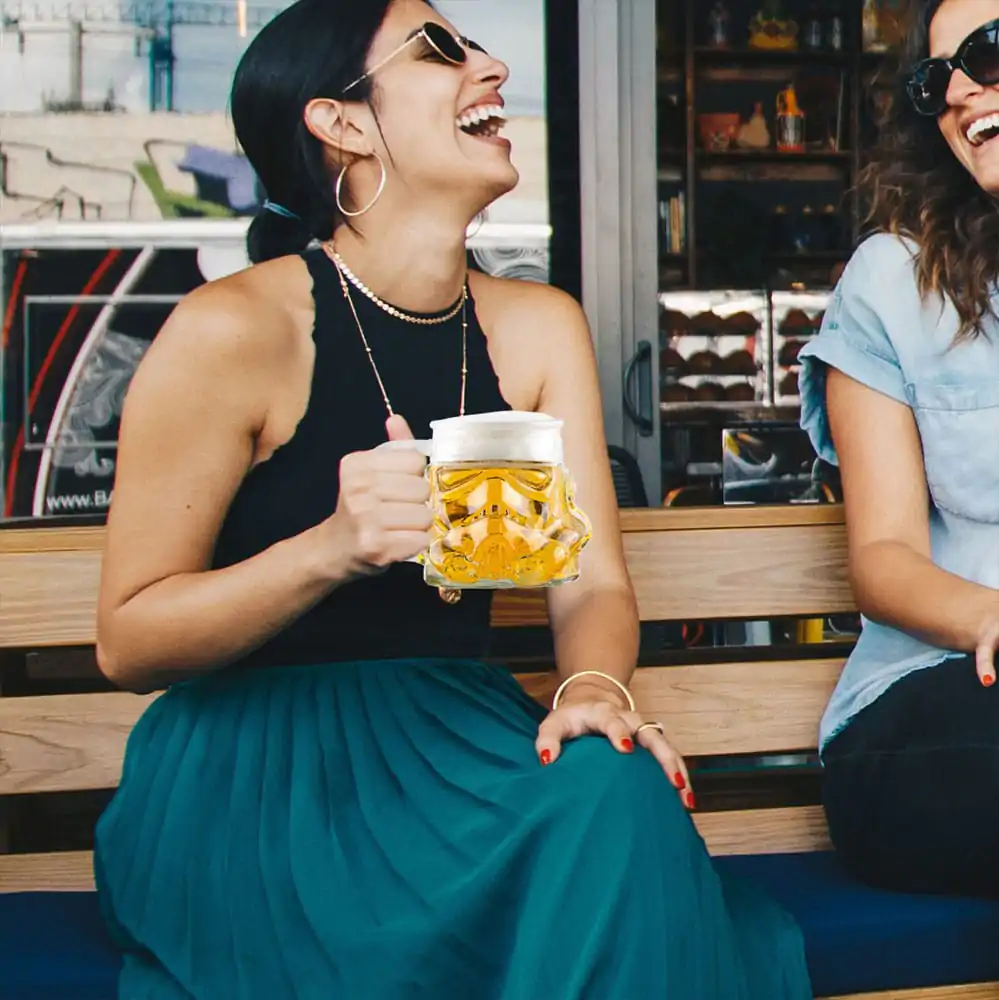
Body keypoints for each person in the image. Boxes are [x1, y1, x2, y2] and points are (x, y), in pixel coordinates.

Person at [92, 1, 812, 996]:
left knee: (618, 791)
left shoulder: (535, 328)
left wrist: (592, 690)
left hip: (457, 740)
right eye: (441, 50)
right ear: (341, 123)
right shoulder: (235, 330)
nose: (492, 65)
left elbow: (590, 585)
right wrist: (331, 546)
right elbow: (128, 641)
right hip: (258, 777)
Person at [799, 0, 999, 897]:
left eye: (987, 52)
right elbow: (881, 559)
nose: (957, 89)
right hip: (930, 703)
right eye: (935, 77)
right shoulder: (894, 278)